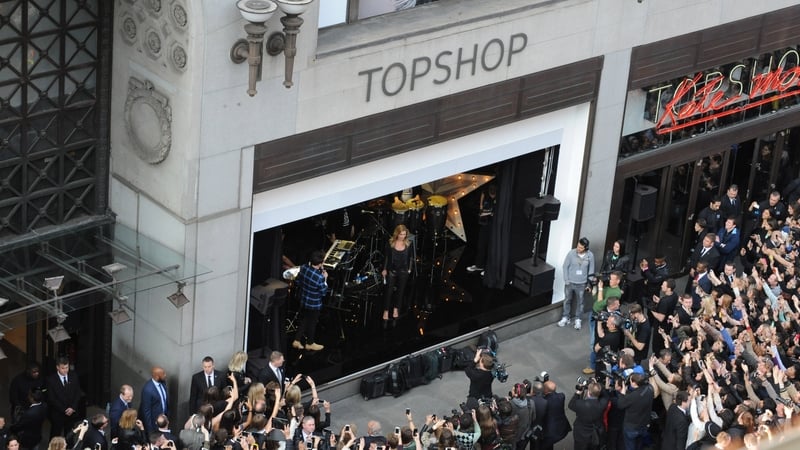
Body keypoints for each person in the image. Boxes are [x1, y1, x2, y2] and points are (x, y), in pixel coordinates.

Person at [291, 250, 328, 352]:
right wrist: (325, 279)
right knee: (312, 323)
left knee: (305, 319)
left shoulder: (303, 267)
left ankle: (297, 340)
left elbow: (298, 281)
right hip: (314, 304)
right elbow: (323, 292)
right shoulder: (320, 277)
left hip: (303, 299)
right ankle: (310, 343)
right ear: (320, 263)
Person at [559, 237, 594, 330]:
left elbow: (591, 271)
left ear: (586, 248)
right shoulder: (571, 253)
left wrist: (589, 284)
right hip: (570, 282)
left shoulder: (590, 256)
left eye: (581, 248)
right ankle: (566, 317)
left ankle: (578, 319)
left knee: (580, 302)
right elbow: (565, 266)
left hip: (582, 284)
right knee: (567, 300)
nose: (578, 249)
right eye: (578, 246)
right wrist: (566, 280)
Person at [381, 224, 413, 325]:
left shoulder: (408, 244)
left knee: (400, 292)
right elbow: (386, 257)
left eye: (404, 234)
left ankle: (396, 309)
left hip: (403, 271)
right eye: (401, 234)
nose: (403, 236)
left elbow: (411, 258)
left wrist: (409, 269)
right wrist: (384, 269)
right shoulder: (391, 243)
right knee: (389, 292)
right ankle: (386, 311)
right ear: (397, 234)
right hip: (391, 270)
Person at [45, 357, 82, 439]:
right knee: (55, 435)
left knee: (70, 435)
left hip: (71, 413)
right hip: (58, 414)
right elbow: (51, 398)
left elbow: (77, 393)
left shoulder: (73, 376)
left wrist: (72, 407)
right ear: (57, 367)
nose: (65, 370)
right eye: (63, 368)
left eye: (67, 367)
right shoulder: (51, 380)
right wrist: (65, 409)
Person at [615, 373, 654, 450]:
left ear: (634, 383)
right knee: (639, 443)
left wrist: (622, 393)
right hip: (643, 424)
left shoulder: (632, 397)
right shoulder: (650, 389)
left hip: (631, 427)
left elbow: (620, 405)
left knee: (630, 446)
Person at [466, 184, 497, 275]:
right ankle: (479, 265)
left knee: (491, 247)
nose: (492, 196)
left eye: (493, 195)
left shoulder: (498, 199)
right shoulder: (485, 194)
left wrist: (489, 213)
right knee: (481, 245)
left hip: (493, 225)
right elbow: (481, 208)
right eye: (491, 194)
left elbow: (495, 212)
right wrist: (481, 208)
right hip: (485, 224)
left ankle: (489, 268)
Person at [568, 381, 608, 450]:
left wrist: (578, 392)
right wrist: (597, 386)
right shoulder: (602, 404)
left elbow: (570, 405)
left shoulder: (580, 404)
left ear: (588, 393)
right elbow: (606, 395)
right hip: (595, 435)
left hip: (581, 434)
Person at [540, 381, 570, 450]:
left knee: (543, 446)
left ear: (545, 390)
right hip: (561, 429)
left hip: (549, 431)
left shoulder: (544, 401)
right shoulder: (561, 396)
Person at [139, 366, 169, 434]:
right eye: (163, 374)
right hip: (154, 424)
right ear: (157, 376)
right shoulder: (147, 389)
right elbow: (146, 411)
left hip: (164, 421)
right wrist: (150, 430)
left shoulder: (163, 383)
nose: (165, 375)